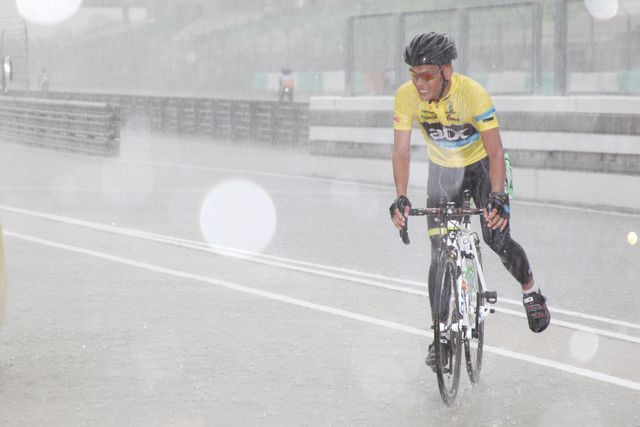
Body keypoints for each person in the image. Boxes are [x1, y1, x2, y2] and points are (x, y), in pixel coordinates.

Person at [388, 32, 550, 369]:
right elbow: (401, 150)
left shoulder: (472, 93)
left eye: (427, 75)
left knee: (495, 238)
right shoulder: (406, 96)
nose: (419, 84)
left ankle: (530, 290)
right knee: (438, 252)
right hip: (443, 169)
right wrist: (401, 196)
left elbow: (495, 149)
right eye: (414, 75)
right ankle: (441, 334)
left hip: (481, 166)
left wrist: (497, 197)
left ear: (446, 71)